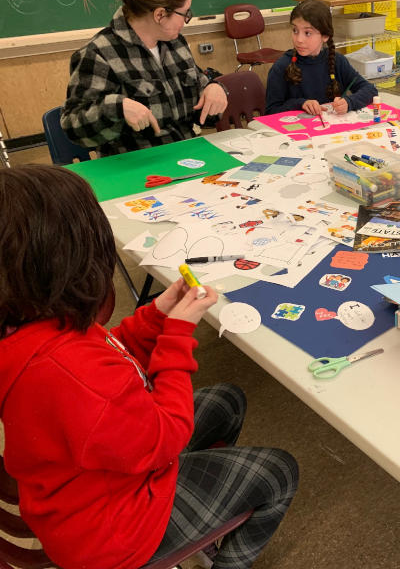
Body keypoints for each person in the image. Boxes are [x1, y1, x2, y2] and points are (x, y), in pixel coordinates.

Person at [0, 164, 298, 569]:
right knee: (280, 471)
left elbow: (111, 352)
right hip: (112, 535)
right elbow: (166, 437)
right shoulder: (64, 369)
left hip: (87, 491)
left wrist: (157, 315)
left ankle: (202, 525)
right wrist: (177, 335)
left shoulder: (35, 327)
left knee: (228, 399)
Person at [60, 0, 228, 157]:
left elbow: (200, 93)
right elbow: (73, 126)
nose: (187, 20)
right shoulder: (98, 54)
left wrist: (214, 87)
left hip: (186, 155)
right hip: (136, 166)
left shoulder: (175, 43)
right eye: (184, 13)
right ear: (160, 15)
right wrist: (117, 107)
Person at [266, 0, 378, 115]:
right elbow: (271, 112)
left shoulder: (337, 61)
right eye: (295, 30)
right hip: (299, 131)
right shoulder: (281, 67)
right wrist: (300, 104)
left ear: (325, 36)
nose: (299, 39)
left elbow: (370, 91)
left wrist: (349, 102)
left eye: (307, 33)